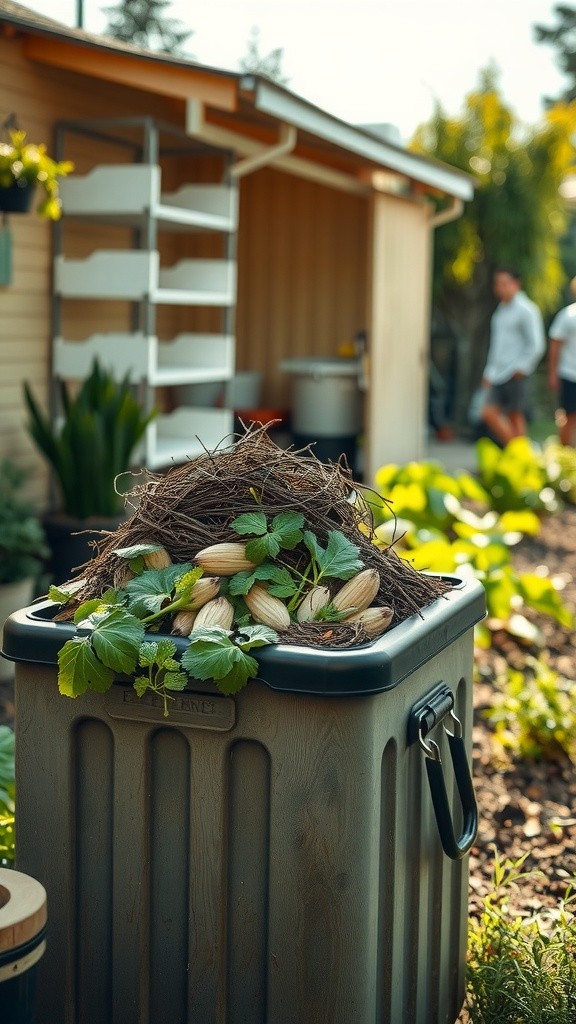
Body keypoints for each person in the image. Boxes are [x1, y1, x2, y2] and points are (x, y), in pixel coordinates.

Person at [481, 267, 546, 446]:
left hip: (516, 373)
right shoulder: (500, 312)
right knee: (488, 413)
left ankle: (520, 456)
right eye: (497, 284)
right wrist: (489, 371)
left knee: (515, 416)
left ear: (516, 284)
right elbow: (496, 346)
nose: (500, 288)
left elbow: (536, 344)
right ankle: (518, 451)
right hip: (498, 373)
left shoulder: (527, 310)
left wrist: (521, 367)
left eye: (504, 283)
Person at [547, 278, 576, 447]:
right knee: (569, 416)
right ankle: (563, 454)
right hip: (569, 373)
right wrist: (552, 374)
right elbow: (555, 347)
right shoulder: (568, 316)